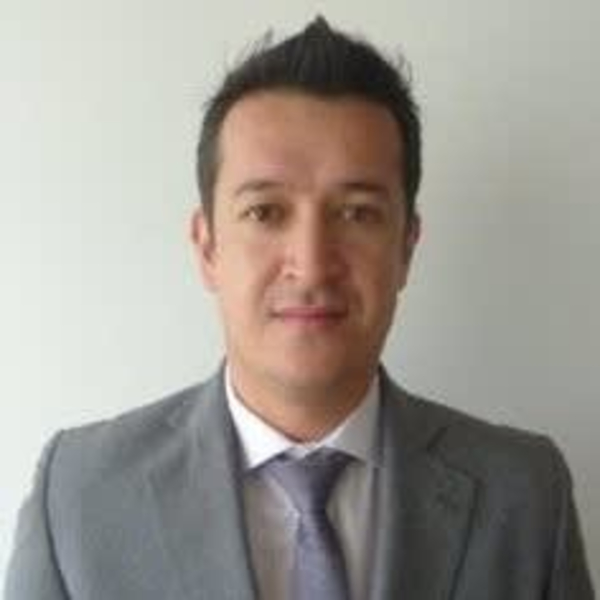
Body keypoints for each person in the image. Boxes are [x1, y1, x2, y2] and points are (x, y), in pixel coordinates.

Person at [5, 17, 594, 600]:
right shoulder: (79, 497)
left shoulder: (524, 496)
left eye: (357, 213)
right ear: (208, 247)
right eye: (265, 212)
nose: (311, 266)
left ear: (406, 248)